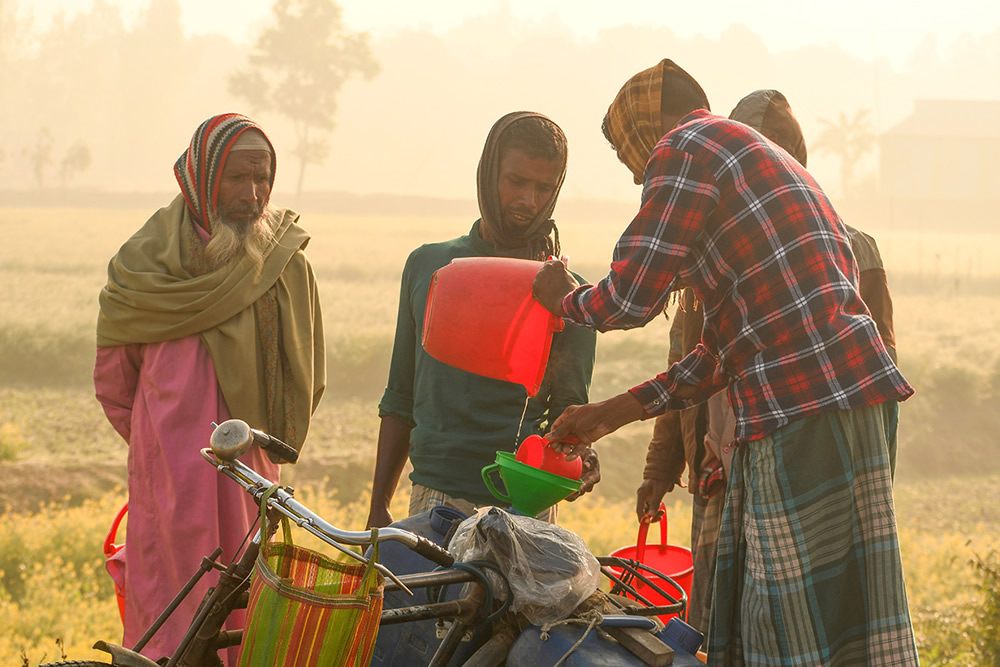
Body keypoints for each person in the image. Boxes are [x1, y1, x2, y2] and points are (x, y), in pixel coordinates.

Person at [533, 60, 918, 665]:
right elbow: (717, 356)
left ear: (644, 127)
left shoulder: (684, 145)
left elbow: (631, 298)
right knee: (845, 624)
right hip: (843, 399)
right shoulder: (750, 157)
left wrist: (560, 295)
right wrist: (608, 414)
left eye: (627, 155)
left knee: (794, 631)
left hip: (803, 402)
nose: (637, 176)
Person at [635, 88, 900, 637]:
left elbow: (872, 376)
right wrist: (661, 469)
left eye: (779, 148)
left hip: (799, 452)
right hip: (718, 472)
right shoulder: (709, 253)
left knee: (807, 616)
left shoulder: (850, 248)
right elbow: (684, 368)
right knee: (720, 622)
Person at [94, 113, 326, 663]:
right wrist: (162, 443)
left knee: (249, 599)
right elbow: (115, 380)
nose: (252, 195)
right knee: (170, 602)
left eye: (262, 179)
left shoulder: (282, 263)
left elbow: (305, 378)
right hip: (167, 476)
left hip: (249, 474)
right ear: (200, 177)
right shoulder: (144, 265)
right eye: (236, 179)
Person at [366, 111, 598, 528]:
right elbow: (401, 395)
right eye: (516, 182)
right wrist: (378, 505)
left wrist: (581, 453)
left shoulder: (570, 297)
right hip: (433, 495)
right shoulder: (429, 267)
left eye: (543, 188)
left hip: (523, 505)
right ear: (489, 174)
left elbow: (568, 415)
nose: (529, 201)